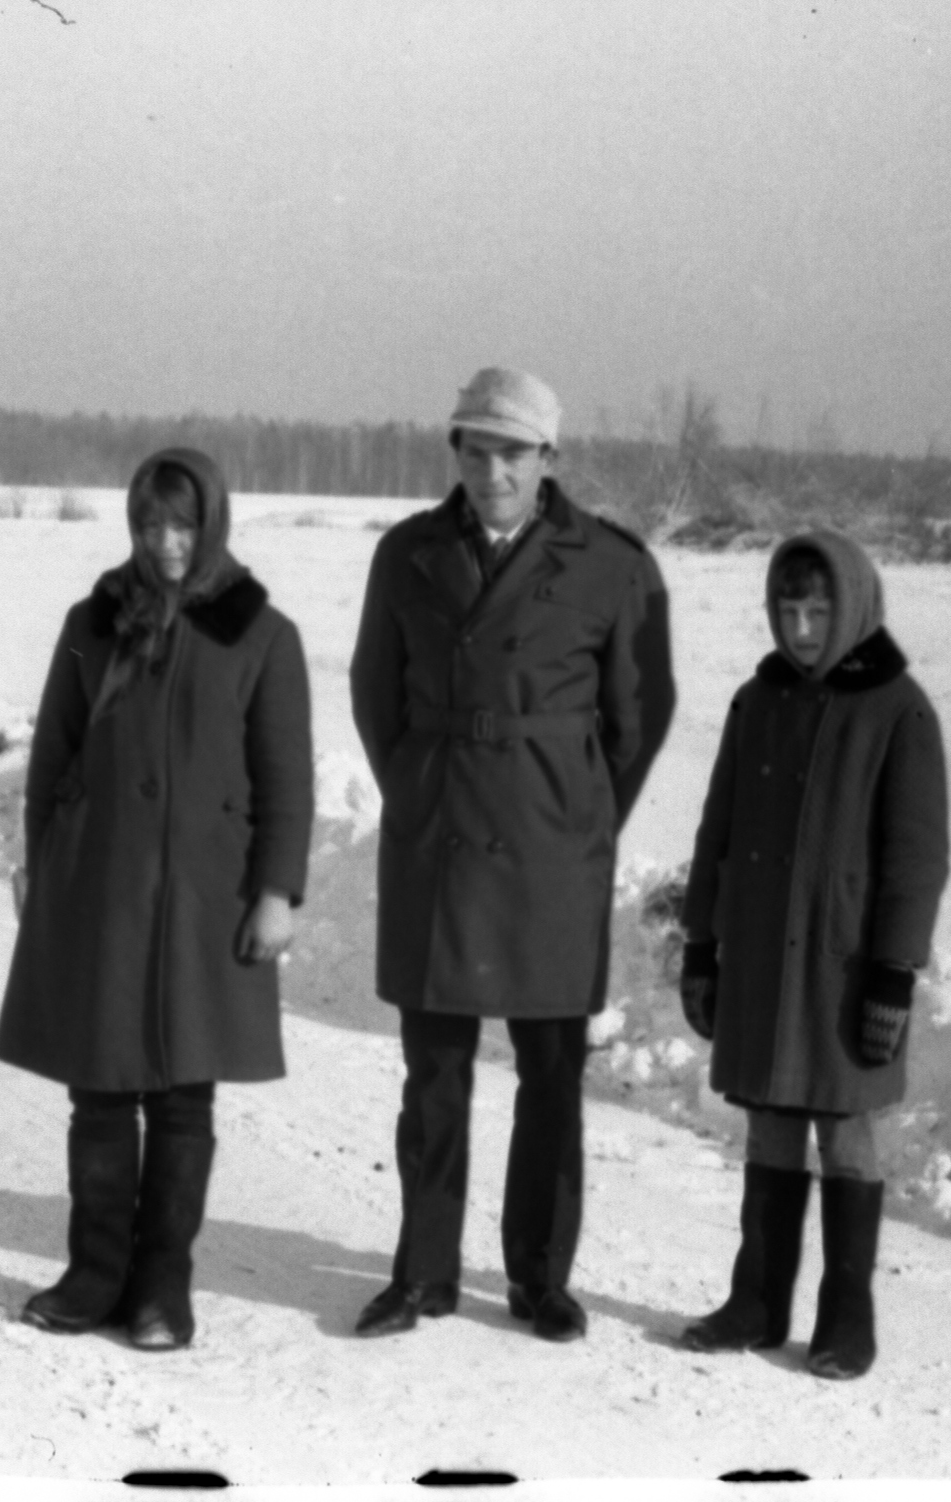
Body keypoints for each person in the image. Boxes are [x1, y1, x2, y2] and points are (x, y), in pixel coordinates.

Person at [348, 366, 675, 1342]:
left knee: (552, 1076)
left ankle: (540, 1278)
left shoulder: (611, 564)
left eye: (512, 454)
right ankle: (422, 1273)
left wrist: (577, 812)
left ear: (547, 458)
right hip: (440, 843)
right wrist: (419, 785)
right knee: (433, 1075)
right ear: (454, 451)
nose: (492, 472)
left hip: (550, 854)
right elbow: (375, 692)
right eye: (475, 450)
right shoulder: (407, 554)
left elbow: (639, 715)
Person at [0, 446, 314, 1352]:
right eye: (149, 524)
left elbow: (287, 779)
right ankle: (95, 1273)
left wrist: (277, 892)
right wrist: (38, 864)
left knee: (181, 1096)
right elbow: (52, 754)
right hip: (97, 884)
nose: (166, 543)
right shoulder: (89, 623)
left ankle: (163, 1286)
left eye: (183, 525)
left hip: (206, 897)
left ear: (211, 523)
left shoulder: (263, 635)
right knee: (98, 1090)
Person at [674, 529, 950, 1380]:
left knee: (844, 1131)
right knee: (768, 1121)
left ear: (852, 609)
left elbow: (916, 861)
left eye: (818, 613)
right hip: (762, 956)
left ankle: (846, 1316)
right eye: (788, 610)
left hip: (843, 971)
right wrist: (701, 944)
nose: (799, 630)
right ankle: (756, 1301)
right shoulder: (756, 702)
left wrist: (893, 974)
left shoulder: (898, 711)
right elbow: (717, 832)